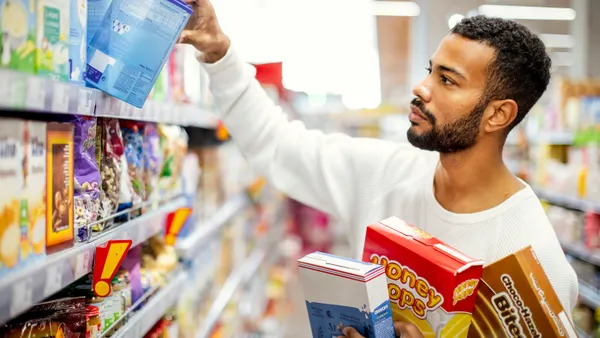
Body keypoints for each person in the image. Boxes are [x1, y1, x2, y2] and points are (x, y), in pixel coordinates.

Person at [179, 1, 579, 336]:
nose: (421, 88)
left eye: (447, 80)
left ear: (498, 115)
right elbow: (277, 145)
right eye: (429, 70)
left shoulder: (534, 262)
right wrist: (220, 54)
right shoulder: (385, 172)